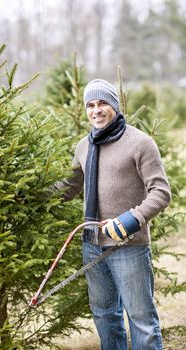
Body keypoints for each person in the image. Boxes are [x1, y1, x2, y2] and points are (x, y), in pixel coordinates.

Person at [54, 79, 171, 350]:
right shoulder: (84, 145)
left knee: (141, 318)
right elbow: (68, 188)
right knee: (105, 315)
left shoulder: (140, 143)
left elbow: (161, 192)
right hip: (92, 246)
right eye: (90, 105)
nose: (96, 110)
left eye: (102, 103)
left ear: (115, 106)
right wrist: (28, 194)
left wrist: (130, 220)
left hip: (128, 246)